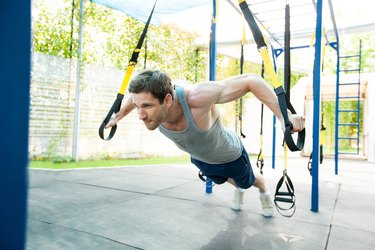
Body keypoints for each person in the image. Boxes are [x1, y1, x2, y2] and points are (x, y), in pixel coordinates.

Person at [105, 69, 305, 217]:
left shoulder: (197, 98)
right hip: (201, 160)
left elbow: (251, 81)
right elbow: (134, 98)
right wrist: (118, 117)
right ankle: (238, 188)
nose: (140, 115)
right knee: (222, 181)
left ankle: (263, 190)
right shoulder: (147, 105)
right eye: (138, 106)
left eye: (146, 106)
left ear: (167, 100)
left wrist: (284, 116)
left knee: (248, 181)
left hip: (231, 154)